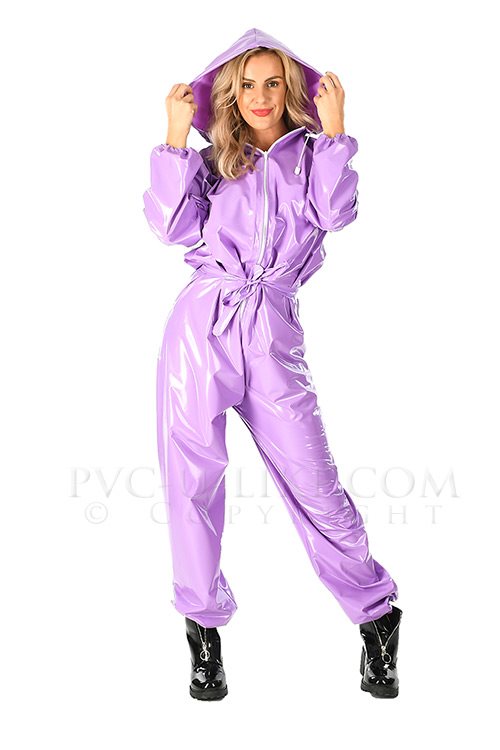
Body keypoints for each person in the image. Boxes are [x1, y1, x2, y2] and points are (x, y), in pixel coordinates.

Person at [142, 27, 403, 701]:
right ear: (232, 93)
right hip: (202, 327)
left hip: (273, 333)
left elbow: (335, 214)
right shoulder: (213, 160)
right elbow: (170, 227)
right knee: (190, 485)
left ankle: (376, 617)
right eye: (248, 85)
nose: (260, 97)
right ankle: (203, 633)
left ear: (292, 91)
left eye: (274, 83)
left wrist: (338, 131)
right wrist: (174, 139)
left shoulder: (313, 155)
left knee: (316, 483)